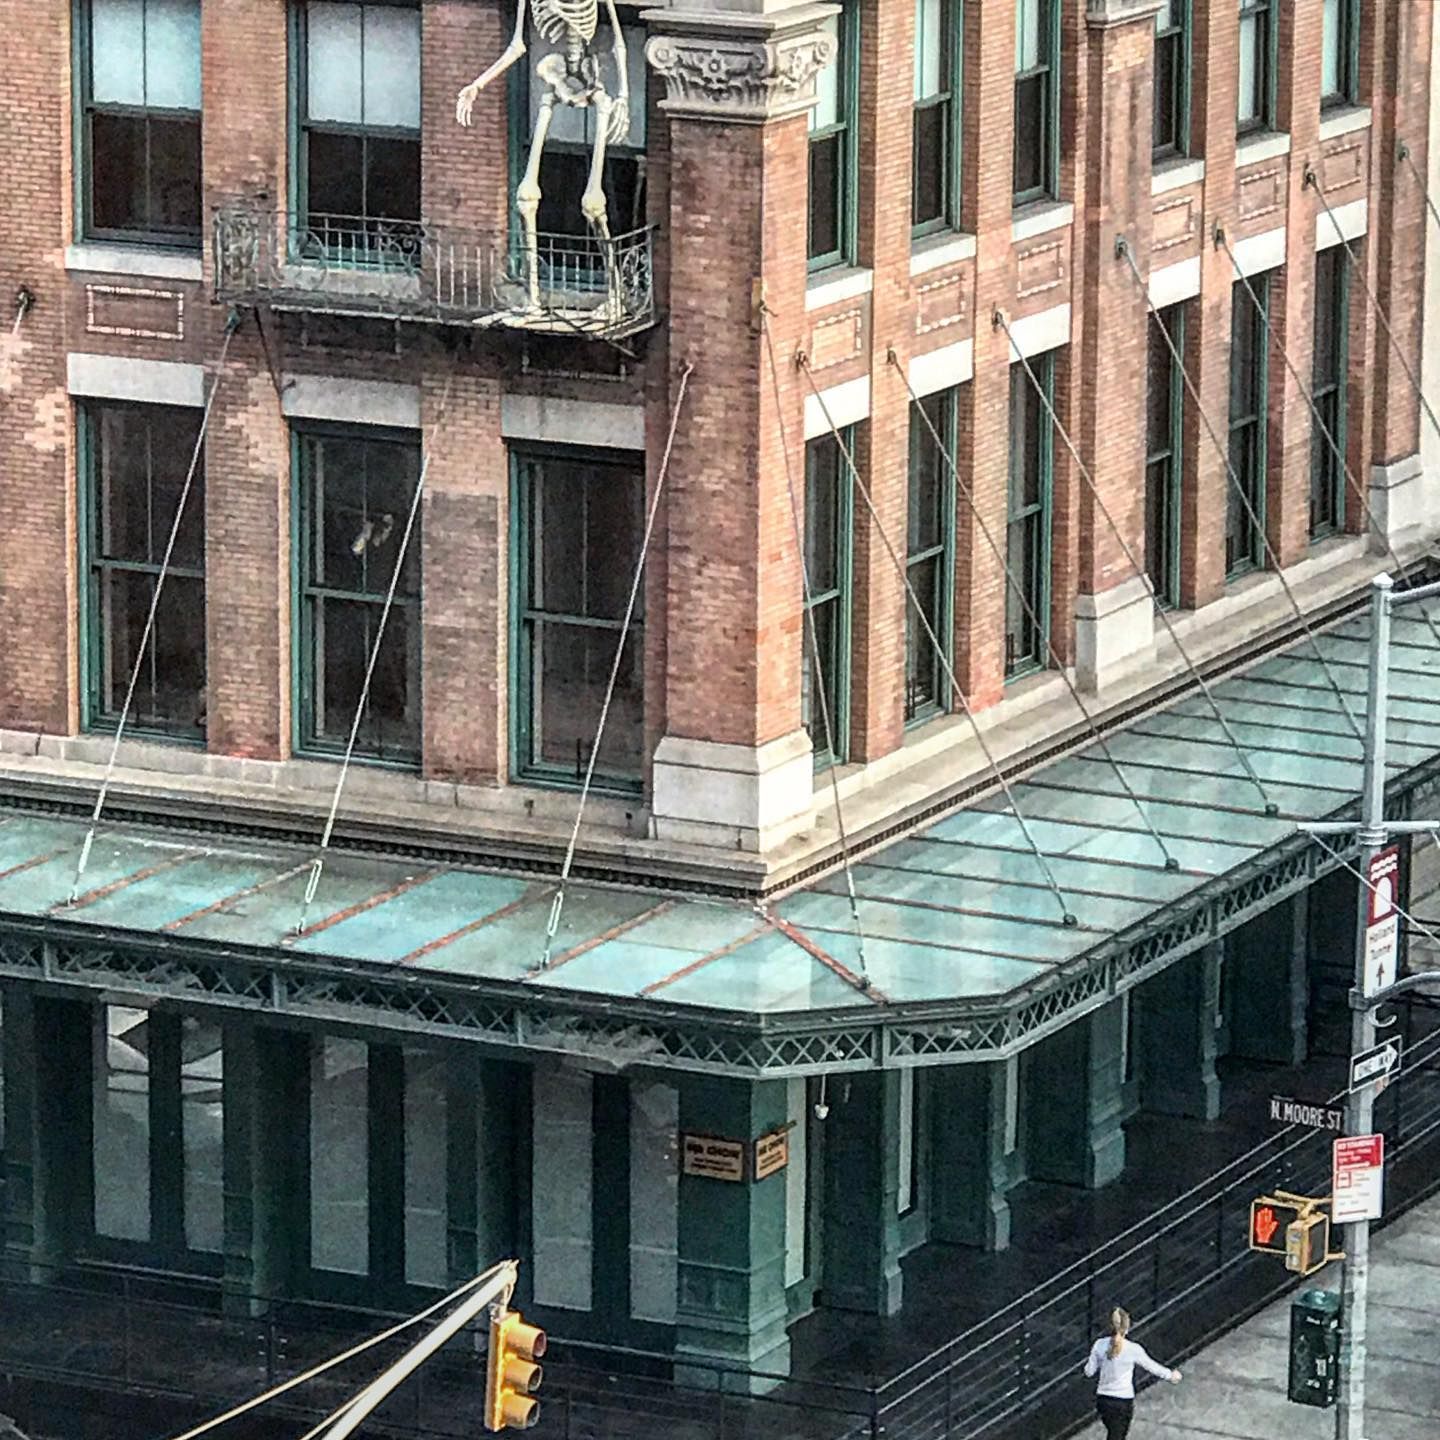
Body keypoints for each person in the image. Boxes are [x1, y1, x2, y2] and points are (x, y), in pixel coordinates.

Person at [1082, 1307, 1181, 1439]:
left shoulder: (1099, 1344)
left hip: (1103, 1399)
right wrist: (1170, 1375)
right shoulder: (1133, 1349)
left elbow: (1089, 1372)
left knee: (1113, 1433)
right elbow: (1151, 1366)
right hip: (1123, 1400)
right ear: (1127, 1328)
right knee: (1118, 1435)